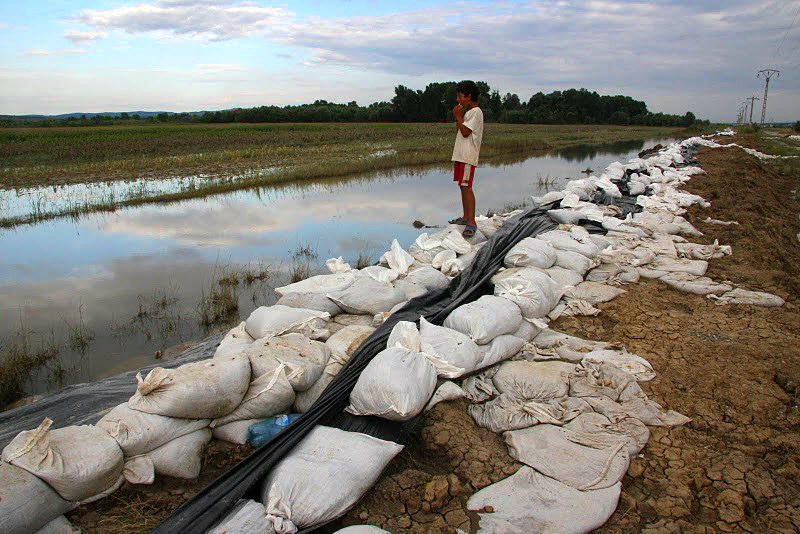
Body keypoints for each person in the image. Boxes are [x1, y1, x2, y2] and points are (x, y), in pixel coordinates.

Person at [449, 80, 484, 238]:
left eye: (460, 96)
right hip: (461, 156)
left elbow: (465, 132)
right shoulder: (469, 113)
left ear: (469, 96)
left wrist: (457, 116)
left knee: (466, 187)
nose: (458, 100)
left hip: (468, 156)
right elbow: (462, 129)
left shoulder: (476, 112)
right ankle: (466, 217)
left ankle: (472, 222)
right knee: (462, 186)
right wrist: (460, 117)